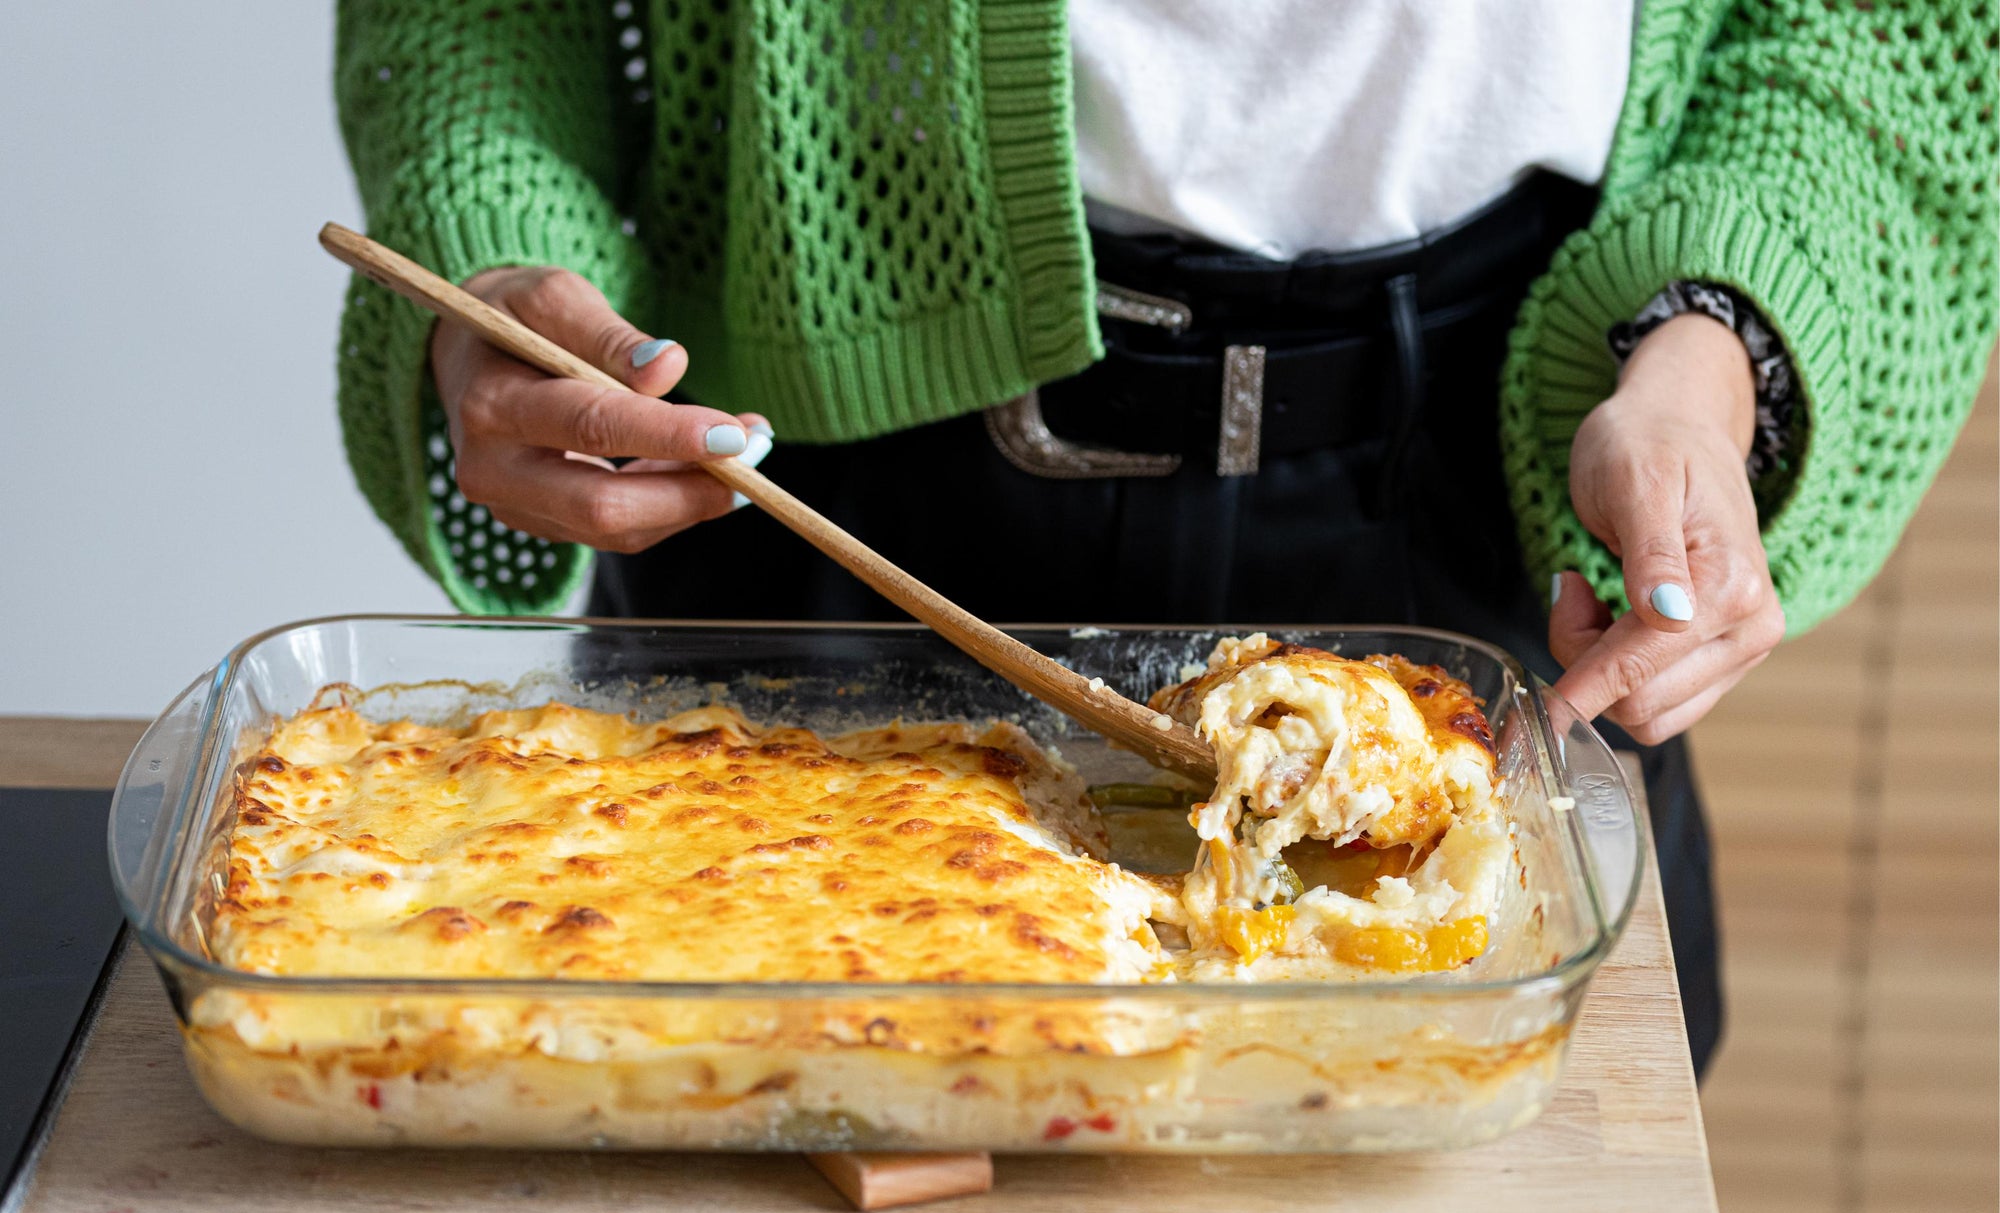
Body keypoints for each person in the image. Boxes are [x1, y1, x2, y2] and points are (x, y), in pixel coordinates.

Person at [331, 1, 1999, 1077]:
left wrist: (1715, 354)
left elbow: (1879, 47)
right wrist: (497, 243)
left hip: (1482, 515)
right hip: (813, 533)